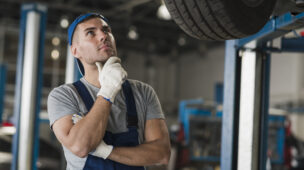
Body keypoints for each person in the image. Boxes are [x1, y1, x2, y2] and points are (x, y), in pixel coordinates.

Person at [47, 13, 171, 170]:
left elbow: (161, 154)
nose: (103, 36)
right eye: (91, 32)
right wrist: (108, 91)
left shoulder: (143, 92)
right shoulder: (63, 96)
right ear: (75, 51)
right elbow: (80, 147)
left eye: (106, 30)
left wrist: (107, 152)